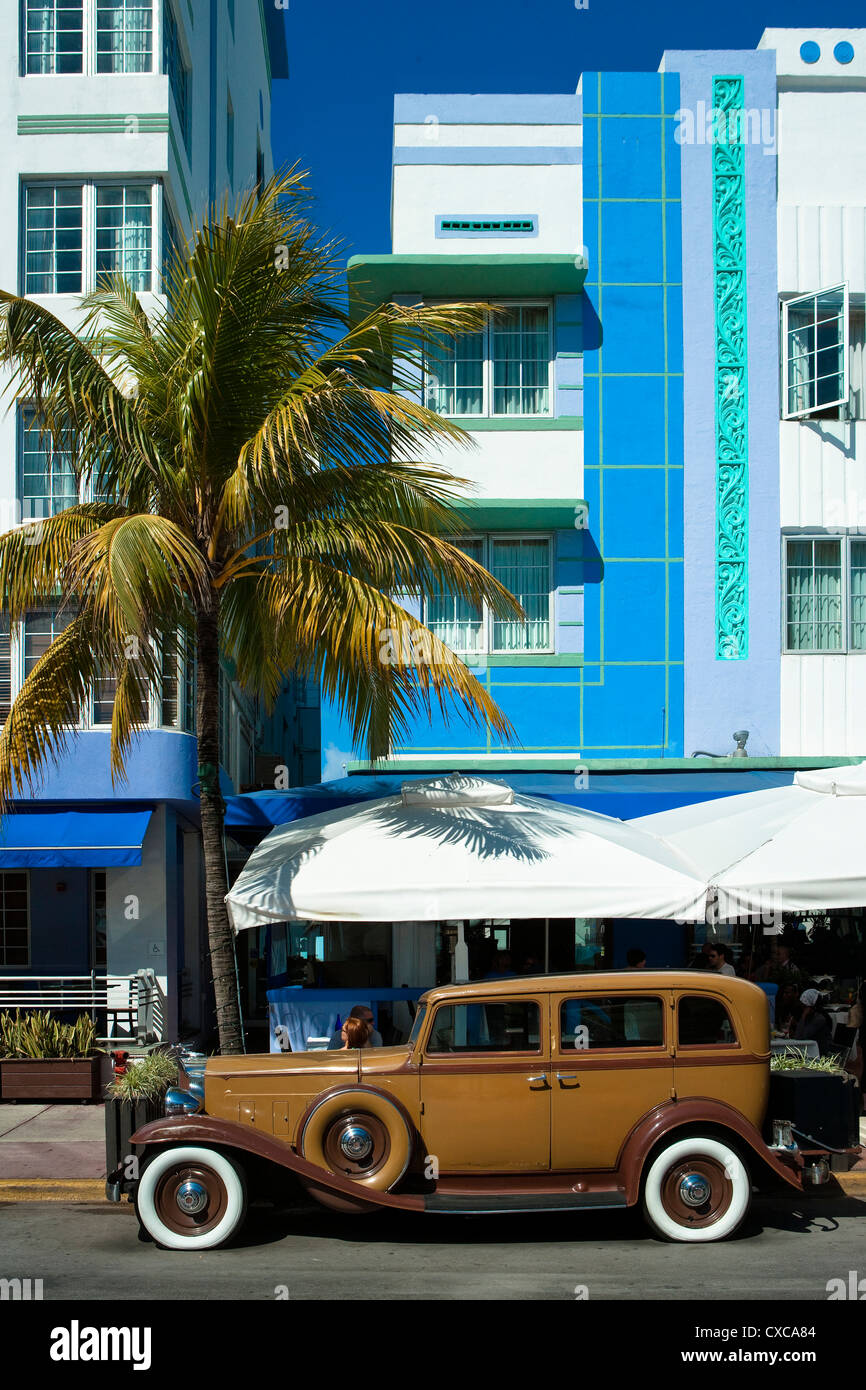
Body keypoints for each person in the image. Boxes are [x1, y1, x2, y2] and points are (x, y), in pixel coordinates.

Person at [790, 988, 835, 1056]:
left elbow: (800, 1037)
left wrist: (803, 1017)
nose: (802, 1008)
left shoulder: (819, 1019)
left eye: (804, 1006)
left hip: (820, 1053)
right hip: (810, 1050)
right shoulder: (811, 1017)